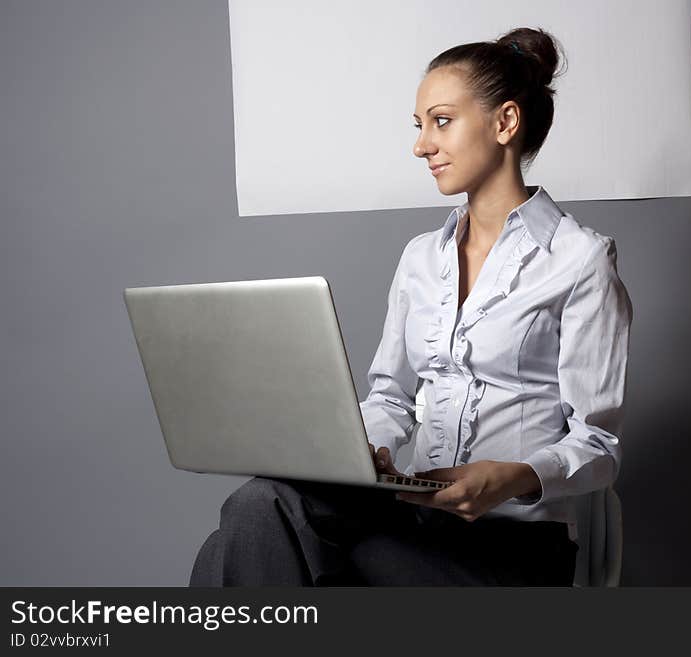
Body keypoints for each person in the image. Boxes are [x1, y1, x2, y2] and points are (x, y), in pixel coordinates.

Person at [189, 27, 633, 587]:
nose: (422, 145)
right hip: (411, 514)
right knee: (260, 506)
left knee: (249, 552)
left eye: (441, 121)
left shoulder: (580, 259)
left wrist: (512, 476)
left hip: (514, 542)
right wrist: (363, 451)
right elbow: (391, 399)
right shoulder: (421, 258)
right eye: (419, 126)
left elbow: (598, 445)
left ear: (505, 123)